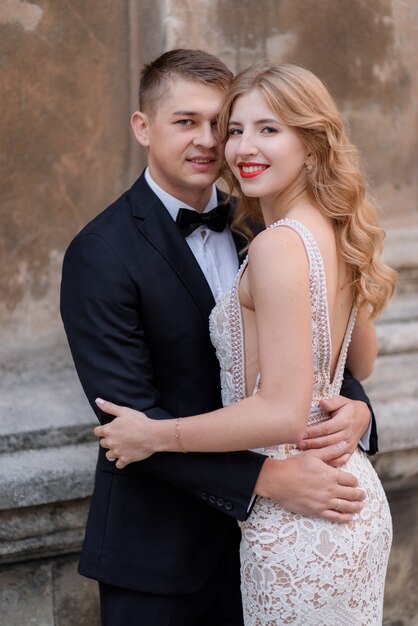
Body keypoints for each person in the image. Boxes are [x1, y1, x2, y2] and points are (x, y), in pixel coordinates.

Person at [61, 50, 376, 626]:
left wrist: (356, 409)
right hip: (162, 556)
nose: (211, 141)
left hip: (281, 538)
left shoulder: (265, 222)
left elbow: (319, 349)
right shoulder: (99, 254)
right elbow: (131, 424)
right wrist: (267, 481)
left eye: (219, 123)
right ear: (142, 127)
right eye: (187, 122)